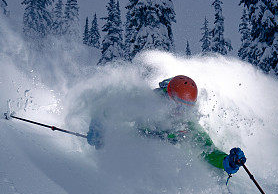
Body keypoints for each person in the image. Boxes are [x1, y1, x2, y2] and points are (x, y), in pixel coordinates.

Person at [87, 75, 247, 175]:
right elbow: (109, 110)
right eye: (178, 105)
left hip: (154, 164)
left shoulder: (187, 124)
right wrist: (99, 129)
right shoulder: (145, 103)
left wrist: (228, 161)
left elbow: (207, 151)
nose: (180, 112)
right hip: (133, 149)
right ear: (167, 97)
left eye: (187, 107)